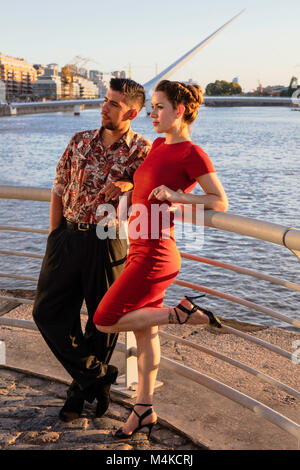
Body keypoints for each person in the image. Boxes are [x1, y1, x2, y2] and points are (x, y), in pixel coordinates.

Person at [93, 79, 228, 439]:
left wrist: (175, 195)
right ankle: (144, 409)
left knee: (105, 320)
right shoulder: (156, 144)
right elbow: (143, 187)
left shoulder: (192, 153)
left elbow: (219, 202)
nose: (152, 113)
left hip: (155, 253)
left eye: (159, 107)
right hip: (139, 245)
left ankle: (180, 314)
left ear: (179, 110)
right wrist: (127, 198)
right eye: (151, 107)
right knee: (144, 332)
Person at [32, 78, 152, 422]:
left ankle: (78, 393)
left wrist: (131, 184)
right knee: (47, 312)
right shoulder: (79, 140)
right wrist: (54, 234)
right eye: (105, 100)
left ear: (131, 111)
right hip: (68, 237)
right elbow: (58, 187)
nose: (104, 107)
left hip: (107, 239)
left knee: (101, 322)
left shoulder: (142, 150)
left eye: (113, 103)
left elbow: (151, 196)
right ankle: (98, 377)